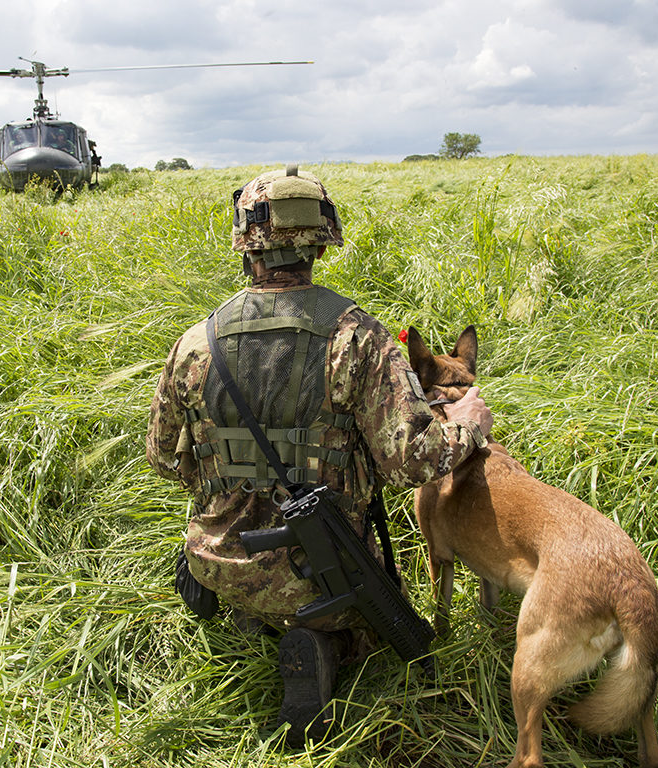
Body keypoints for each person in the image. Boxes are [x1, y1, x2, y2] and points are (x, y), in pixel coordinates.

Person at [146, 165, 492, 746]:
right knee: (377, 622)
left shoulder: (195, 342)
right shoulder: (357, 336)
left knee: (234, 574)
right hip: (324, 578)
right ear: (321, 242)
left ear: (246, 243)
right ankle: (324, 647)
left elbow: (164, 459)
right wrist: (469, 429)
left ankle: (226, 600)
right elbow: (413, 461)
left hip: (219, 556)